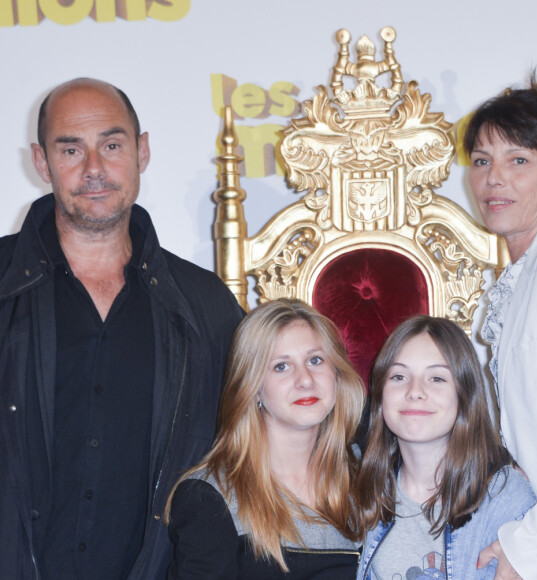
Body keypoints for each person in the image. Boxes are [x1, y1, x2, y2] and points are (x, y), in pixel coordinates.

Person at [0, 78, 243, 579]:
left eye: (111, 145)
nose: (94, 168)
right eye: (71, 149)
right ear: (41, 162)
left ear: (142, 152)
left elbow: (243, 458)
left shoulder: (205, 303)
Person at [463, 75, 537, 580]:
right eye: (483, 161)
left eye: (518, 161)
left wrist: (531, 544)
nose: (495, 179)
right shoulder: (523, 273)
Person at [165, 298, 366, 579]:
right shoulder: (210, 498)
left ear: (336, 374)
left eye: (315, 360)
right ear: (254, 388)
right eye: (281, 366)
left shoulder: (368, 474)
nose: (306, 379)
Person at [356, 316, 536, 580]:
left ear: (465, 394)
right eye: (398, 376)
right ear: (380, 394)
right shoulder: (359, 483)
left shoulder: (504, 496)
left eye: (436, 378)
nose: (415, 391)